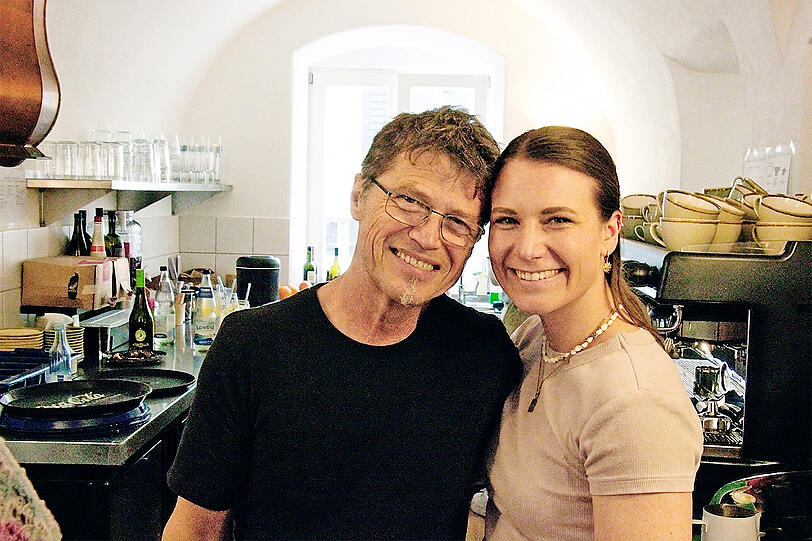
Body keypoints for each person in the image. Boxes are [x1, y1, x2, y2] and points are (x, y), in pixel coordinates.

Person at [163, 106, 522, 540]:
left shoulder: (485, 354)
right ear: (358, 195)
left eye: (459, 223)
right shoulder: (253, 345)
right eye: (410, 201)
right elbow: (196, 528)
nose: (428, 238)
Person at [484, 126, 703, 540]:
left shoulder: (636, 403)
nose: (527, 248)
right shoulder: (534, 338)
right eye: (507, 220)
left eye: (558, 220)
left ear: (610, 231)